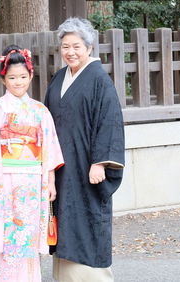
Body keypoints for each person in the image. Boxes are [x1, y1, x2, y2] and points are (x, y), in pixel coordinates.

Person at [0, 44, 64, 282]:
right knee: (11, 235)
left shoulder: (40, 111)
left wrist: (51, 182)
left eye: (23, 77)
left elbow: (50, 150)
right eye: (12, 77)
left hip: (34, 181)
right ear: (4, 79)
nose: (18, 82)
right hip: (6, 181)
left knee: (31, 235)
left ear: (31, 76)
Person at [44, 18, 125, 282]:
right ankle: (66, 276)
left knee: (87, 218)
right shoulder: (59, 77)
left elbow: (109, 121)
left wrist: (100, 162)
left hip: (86, 166)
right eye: (65, 46)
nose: (70, 52)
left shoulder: (99, 80)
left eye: (76, 46)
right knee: (64, 219)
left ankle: (95, 277)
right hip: (62, 166)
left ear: (89, 47)